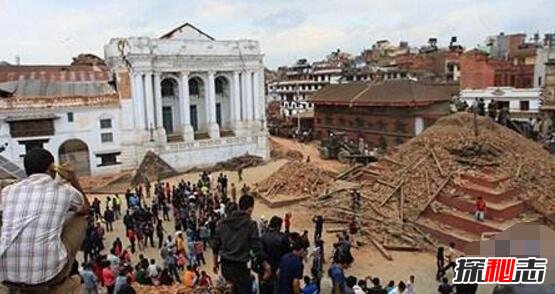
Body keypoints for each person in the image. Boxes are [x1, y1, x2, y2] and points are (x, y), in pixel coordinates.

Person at [0, 148, 90, 291]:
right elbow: (86, 208)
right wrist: (74, 180)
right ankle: (61, 278)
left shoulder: (7, 191)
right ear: (52, 168)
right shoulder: (65, 191)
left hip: (6, 276)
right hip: (47, 276)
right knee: (80, 217)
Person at [212, 194, 270, 294]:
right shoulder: (251, 224)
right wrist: (266, 265)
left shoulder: (222, 223)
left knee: (231, 287)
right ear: (251, 209)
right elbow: (256, 248)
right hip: (240, 269)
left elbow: (215, 246)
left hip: (225, 267)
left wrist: (214, 264)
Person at [260, 215, 291, 294]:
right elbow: (287, 255)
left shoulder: (263, 237)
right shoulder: (283, 238)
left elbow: (259, 254)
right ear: (278, 226)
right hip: (278, 270)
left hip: (265, 270)